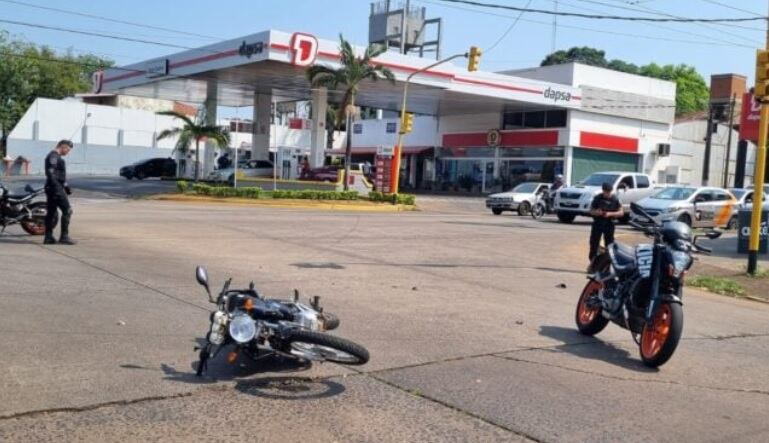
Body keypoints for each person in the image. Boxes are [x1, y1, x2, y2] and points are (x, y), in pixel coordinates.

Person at [44, 140, 75, 245]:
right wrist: (58, 189)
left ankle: (48, 237)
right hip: (55, 189)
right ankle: (64, 237)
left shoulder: (55, 157)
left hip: (53, 188)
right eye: (68, 150)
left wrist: (66, 187)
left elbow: (59, 175)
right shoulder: (53, 157)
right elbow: (51, 174)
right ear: (63, 147)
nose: (68, 152)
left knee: (51, 213)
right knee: (68, 210)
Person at [588, 182, 623, 262]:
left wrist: (610, 214)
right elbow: (591, 211)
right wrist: (597, 212)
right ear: (603, 190)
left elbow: (621, 213)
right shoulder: (597, 198)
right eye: (606, 191)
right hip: (598, 223)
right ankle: (593, 263)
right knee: (594, 244)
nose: (607, 193)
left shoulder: (615, 199)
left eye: (609, 191)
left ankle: (607, 263)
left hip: (609, 223)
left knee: (609, 245)